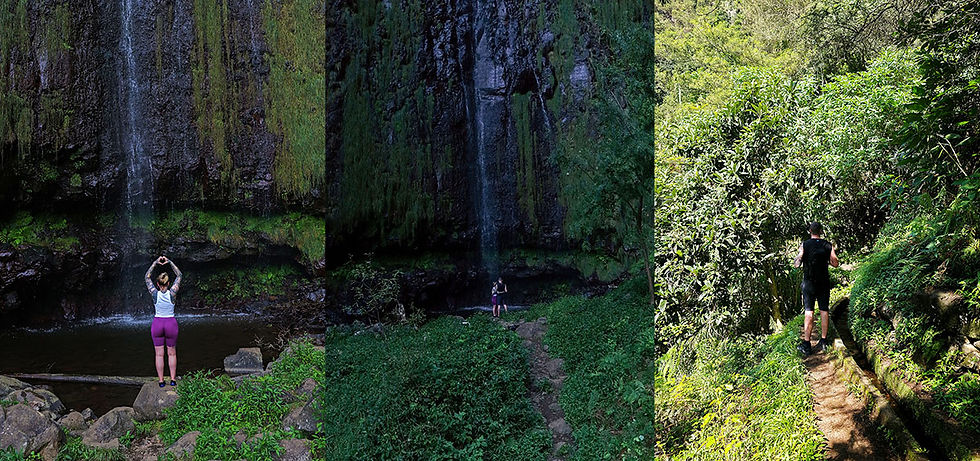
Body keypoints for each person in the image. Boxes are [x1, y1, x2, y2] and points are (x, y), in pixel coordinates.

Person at [794, 222, 839, 355]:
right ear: (821, 231)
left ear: (810, 231)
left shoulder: (805, 244)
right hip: (824, 282)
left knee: (809, 311)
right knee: (824, 310)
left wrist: (800, 257)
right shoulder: (827, 245)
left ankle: (807, 344)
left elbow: (797, 264)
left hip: (809, 283)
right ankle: (823, 341)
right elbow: (835, 263)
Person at [145, 255, 182, 387]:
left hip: (158, 324)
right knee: (171, 353)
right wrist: (170, 262)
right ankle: (172, 380)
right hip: (171, 324)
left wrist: (155, 263)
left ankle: (161, 381)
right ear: (168, 283)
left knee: (159, 355)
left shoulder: (154, 293)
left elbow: (147, 277)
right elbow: (179, 275)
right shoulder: (172, 293)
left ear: (158, 284)